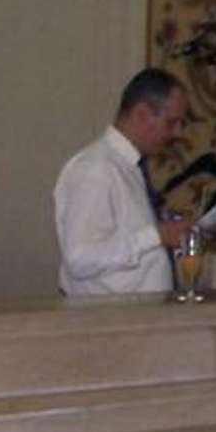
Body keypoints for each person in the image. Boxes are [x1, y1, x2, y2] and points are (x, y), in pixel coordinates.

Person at [53, 68, 192, 296]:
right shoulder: (96, 168)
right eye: (171, 122)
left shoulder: (130, 168)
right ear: (141, 114)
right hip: (107, 314)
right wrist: (157, 236)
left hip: (137, 312)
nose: (177, 133)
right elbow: (80, 258)